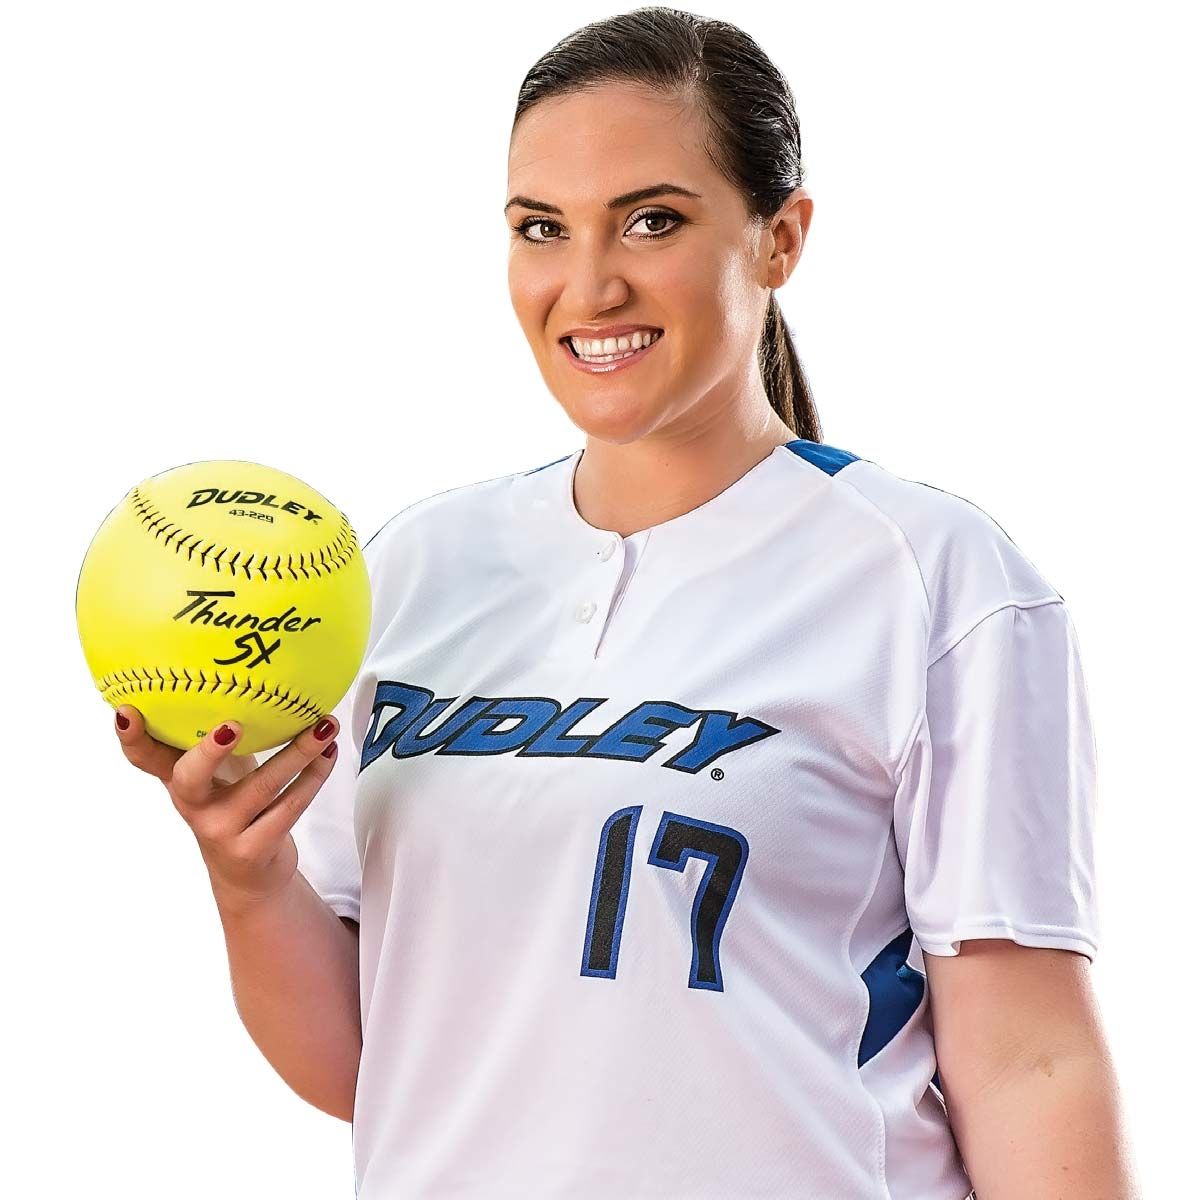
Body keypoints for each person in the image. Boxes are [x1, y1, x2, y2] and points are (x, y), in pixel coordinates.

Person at [113, 8, 1139, 1198]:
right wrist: (248, 880)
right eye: (540, 228)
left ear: (779, 238)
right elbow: (375, 1068)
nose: (588, 285)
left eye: (652, 221)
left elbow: (1031, 1063)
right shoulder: (409, 572)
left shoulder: (933, 580)